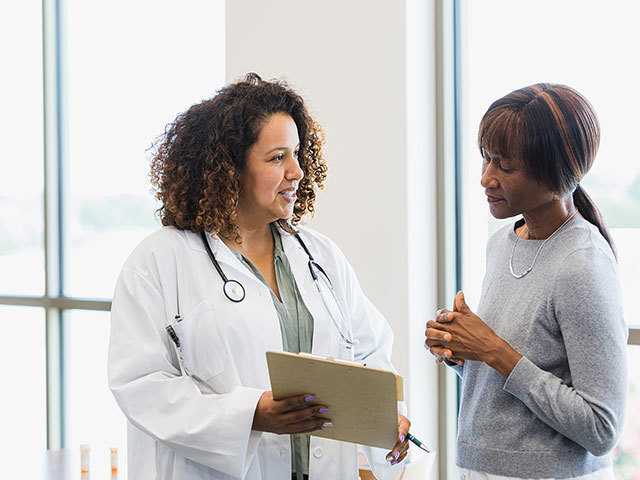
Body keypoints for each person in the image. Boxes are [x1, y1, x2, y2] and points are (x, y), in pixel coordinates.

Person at [108, 73, 410, 480]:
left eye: (298, 154)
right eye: (277, 157)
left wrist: (387, 416)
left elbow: (370, 351)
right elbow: (141, 385)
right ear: (230, 168)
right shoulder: (160, 261)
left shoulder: (319, 256)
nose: (297, 171)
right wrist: (252, 415)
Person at [425, 83, 628, 479]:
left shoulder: (582, 264)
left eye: (504, 165)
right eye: (486, 159)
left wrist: (495, 350)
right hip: (480, 469)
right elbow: (514, 384)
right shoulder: (502, 244)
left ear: (554, 172)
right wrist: (463, 353)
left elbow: (601, 428)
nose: (486, 178)